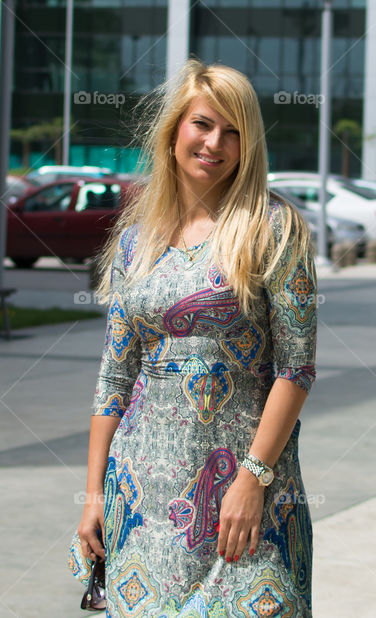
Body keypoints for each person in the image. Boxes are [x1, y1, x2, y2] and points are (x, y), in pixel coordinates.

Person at [69, 60, 318, 615]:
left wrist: (253, 478)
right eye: (202, 124)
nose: (214, 143)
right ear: (174, 130)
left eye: (233, 131)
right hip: (139, 499)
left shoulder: (275, 230)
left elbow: (296, 368)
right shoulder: (135, 241)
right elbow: (114, 377)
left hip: (246, 498)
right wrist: (94, 496)